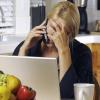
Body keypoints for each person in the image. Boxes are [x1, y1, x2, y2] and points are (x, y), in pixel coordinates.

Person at [13, 1, 93, 99]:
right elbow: (14, 89)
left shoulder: (82, 53)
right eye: (52, 26)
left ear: (71, 35)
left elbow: (68, 96)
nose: (53, 34)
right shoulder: (29, 45)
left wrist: (64, 51)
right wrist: (24, 48)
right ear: (46, 21)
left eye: (60, 31)